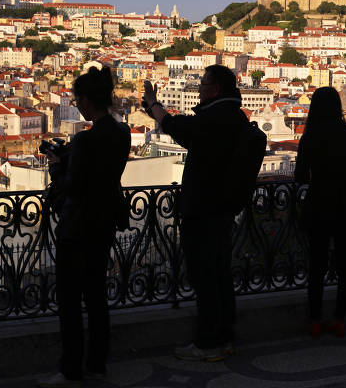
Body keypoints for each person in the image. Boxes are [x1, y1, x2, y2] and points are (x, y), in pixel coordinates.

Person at [142, 64, 247, 361]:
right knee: (221, 275)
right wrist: (157, 111)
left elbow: (179, 129)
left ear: (214, 89)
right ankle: (225, 337)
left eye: (203, 84)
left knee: (204, 278)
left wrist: (154, 106)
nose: (199, 88)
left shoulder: (213, 118)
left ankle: (208, 343)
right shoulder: (236, 117)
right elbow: (184, 132)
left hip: (203, 209)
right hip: (224, 209)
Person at [38, 67, 131, 388]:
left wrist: (55, 168)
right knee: (95, 297)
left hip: (77, 227)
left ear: (88, 101)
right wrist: (70, 157)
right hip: (104, 223)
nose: (77, 104)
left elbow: (73, 188)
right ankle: (97, 363)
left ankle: (71, 369)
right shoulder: (122, 133)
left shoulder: (85, 139)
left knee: (69, 301)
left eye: (78, 98)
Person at [295, 86, 346, 338]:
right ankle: (339, 319)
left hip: (319, 204)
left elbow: (300, 176)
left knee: (317, 266)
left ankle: (315, 320)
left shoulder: (310, 137)